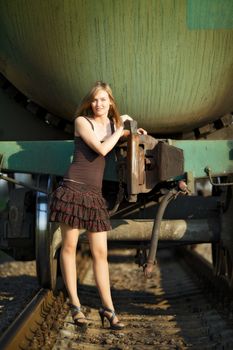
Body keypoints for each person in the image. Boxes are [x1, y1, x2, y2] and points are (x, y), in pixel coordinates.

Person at [49, 81, 147, 330]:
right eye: (94, 100)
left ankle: (108, 308)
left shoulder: (114, 124)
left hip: (94, 195)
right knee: (69, 247)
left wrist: (135, 132)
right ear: (89, 103)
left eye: (103, 100)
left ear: (111, 102)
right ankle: (76, 306)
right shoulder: (83, 122)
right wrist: (121, 128)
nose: (98, 104)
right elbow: (102, 149)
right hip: (72, 189)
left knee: (100, 253)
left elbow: (124, 136)